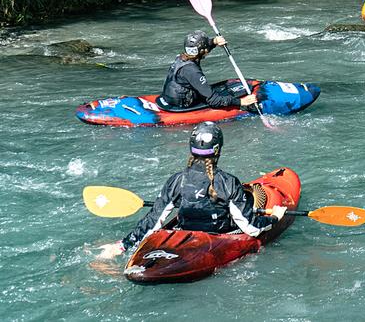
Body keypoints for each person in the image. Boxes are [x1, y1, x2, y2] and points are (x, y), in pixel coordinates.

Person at [96, 122, 286, 259]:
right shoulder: (227, 182)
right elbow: (250, 228)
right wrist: (274, 217)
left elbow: (153, 221)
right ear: (218, 150)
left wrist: (122, 246)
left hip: (184, 235)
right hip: (219, 238)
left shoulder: (176, 181)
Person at [157, 31, 258, 110]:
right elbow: (214, 101)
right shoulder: (192, 71)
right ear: (202, 51)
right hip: (183, 103)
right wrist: (241, 102)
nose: (207, 50)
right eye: (205, 48)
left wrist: (214, 41)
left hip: (170, 97)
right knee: (219, 95)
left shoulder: (182, 57)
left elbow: (201, 49)